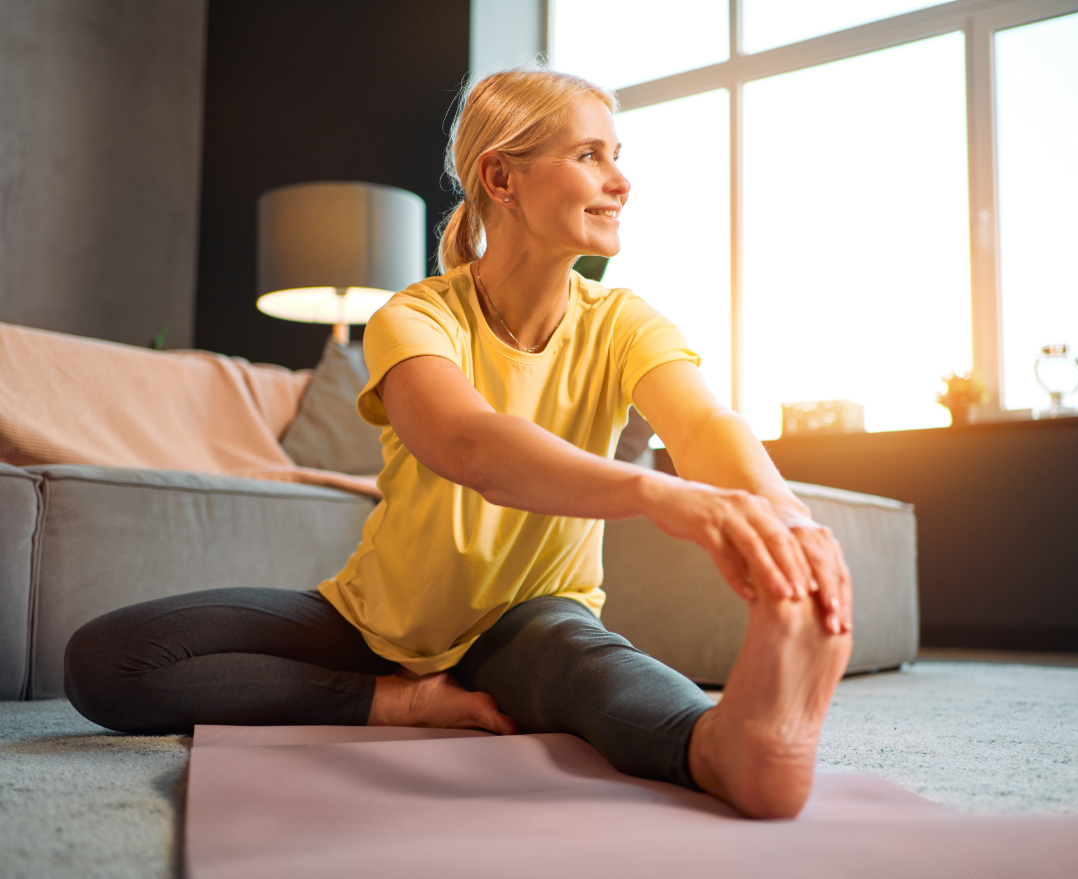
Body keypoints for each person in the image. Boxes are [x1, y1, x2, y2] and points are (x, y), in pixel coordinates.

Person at [64, 66, 853, 820]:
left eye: (617, 155)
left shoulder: (624, 323)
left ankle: (726, 746)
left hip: (530, 618)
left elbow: (705, 425)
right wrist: (657, 493)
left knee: (588, 665)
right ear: (501, 178)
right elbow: (472, 444)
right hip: (373, 623)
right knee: (103, 662)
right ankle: (395, 702)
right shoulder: (416, 316)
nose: (622, 181)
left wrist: (784, 514)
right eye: (590, 155)